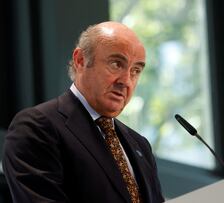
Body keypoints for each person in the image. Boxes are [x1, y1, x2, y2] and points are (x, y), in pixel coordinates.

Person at [3, 21, 164, 203]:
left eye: (135, 70)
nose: (126, 81)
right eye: (116, 64)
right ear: (81, 60)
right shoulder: (37, 126)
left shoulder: (140, 144)